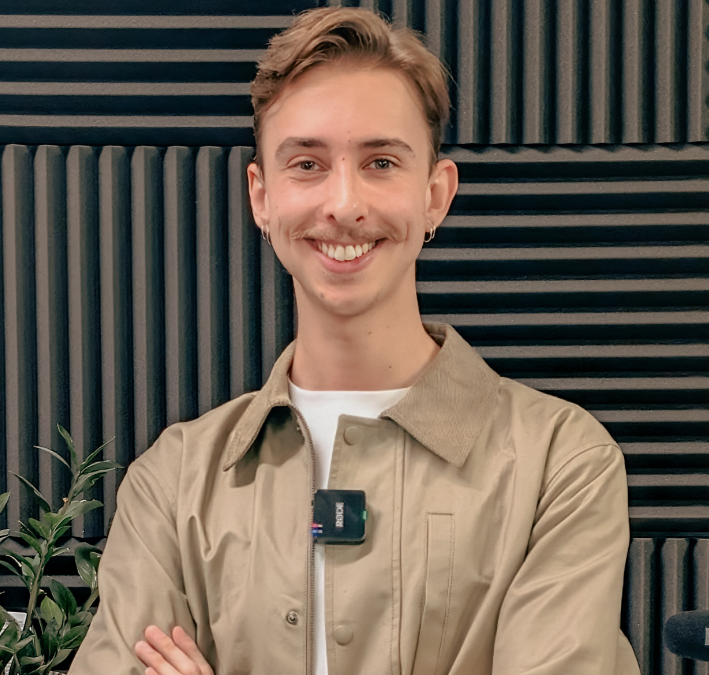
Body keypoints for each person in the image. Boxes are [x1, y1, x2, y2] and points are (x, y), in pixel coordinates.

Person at [69, 7, 640, 675]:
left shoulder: (558, 465)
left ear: (435, 194)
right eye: (307, 163)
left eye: (380, 162)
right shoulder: (173, 484)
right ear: (262, 196)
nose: (344, 202)